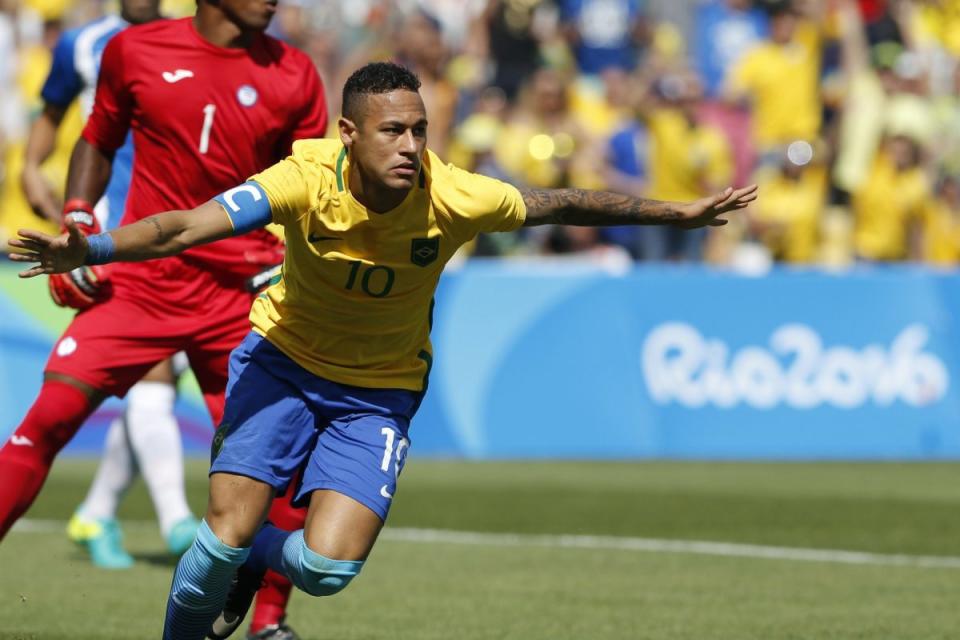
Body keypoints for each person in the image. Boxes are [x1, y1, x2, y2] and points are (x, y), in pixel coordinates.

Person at [8, 62, 757, 640]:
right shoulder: (303, 177)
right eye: (392, 130)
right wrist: (94, 246)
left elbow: (562, 202)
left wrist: (678, 215)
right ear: (348, 133)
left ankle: (259, 558)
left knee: (326, 569)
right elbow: (185, 227)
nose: (410, 145)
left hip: (378, 391)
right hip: (281, 365)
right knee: (219, 536)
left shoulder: (458, 196)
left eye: (419, 129)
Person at [0, 0, 327, 637]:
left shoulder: (295, 73)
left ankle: (269, 623)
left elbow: (314, 183)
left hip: (242, 291)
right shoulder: (135, 50)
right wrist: (78, 220)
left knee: (279, 469)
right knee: (46, 421)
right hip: (141, 284)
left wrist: (292, 261)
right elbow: (97, 140)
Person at [19, 0, 203, 570]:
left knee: (159, 372)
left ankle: (96, 512)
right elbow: (51, 115)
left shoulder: (190, 43)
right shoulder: (83, 43)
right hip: (109, 233)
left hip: (183, 225)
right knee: (152, 374)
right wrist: (30, 167)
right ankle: (177, 521)